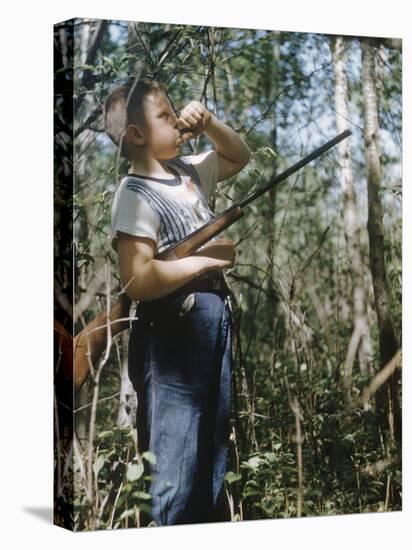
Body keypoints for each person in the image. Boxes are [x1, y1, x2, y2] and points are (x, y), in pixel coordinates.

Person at [104, 77, 251, 526]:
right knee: (175, 469)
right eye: (165, 115)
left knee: (211, 458)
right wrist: (204, 262)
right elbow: (138, 279)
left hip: (211, 325)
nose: (177, 119)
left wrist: (208, 122)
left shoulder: (188, 171)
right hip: (173, 332)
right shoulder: (133, 194)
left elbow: (238, 156)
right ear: (136, 134)